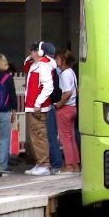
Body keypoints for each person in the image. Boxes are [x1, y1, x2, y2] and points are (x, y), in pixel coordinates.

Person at [24, 42, 59, 177]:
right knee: (35, 137)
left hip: (38, 107)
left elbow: (48, 87)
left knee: (39, 136)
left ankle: (44, 164)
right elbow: (26, 66)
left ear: (40, 52)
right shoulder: (38, 65)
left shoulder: (43, 66)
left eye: (33, 50)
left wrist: (38, 103)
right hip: (33, 106)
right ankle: (40, 163)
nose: (31, 52)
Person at [41, 42, 65, 174]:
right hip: (53, 105)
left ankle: (56, 163)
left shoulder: (48, 68)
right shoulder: (57, 69)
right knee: (52, 136)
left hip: (49, 105)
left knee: (50, 135)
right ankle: (55, 162)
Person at [55, 50, 80, 173]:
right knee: (71, 137)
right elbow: (76, 89)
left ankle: (69, 164)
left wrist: (58, 104)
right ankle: (75, 164)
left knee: (65, 138)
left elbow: (67, 92)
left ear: (63, 61)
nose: (56, 61)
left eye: (58, 59)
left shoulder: (64, 74)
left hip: (65, 109)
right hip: (73, 108)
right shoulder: (72, 72)